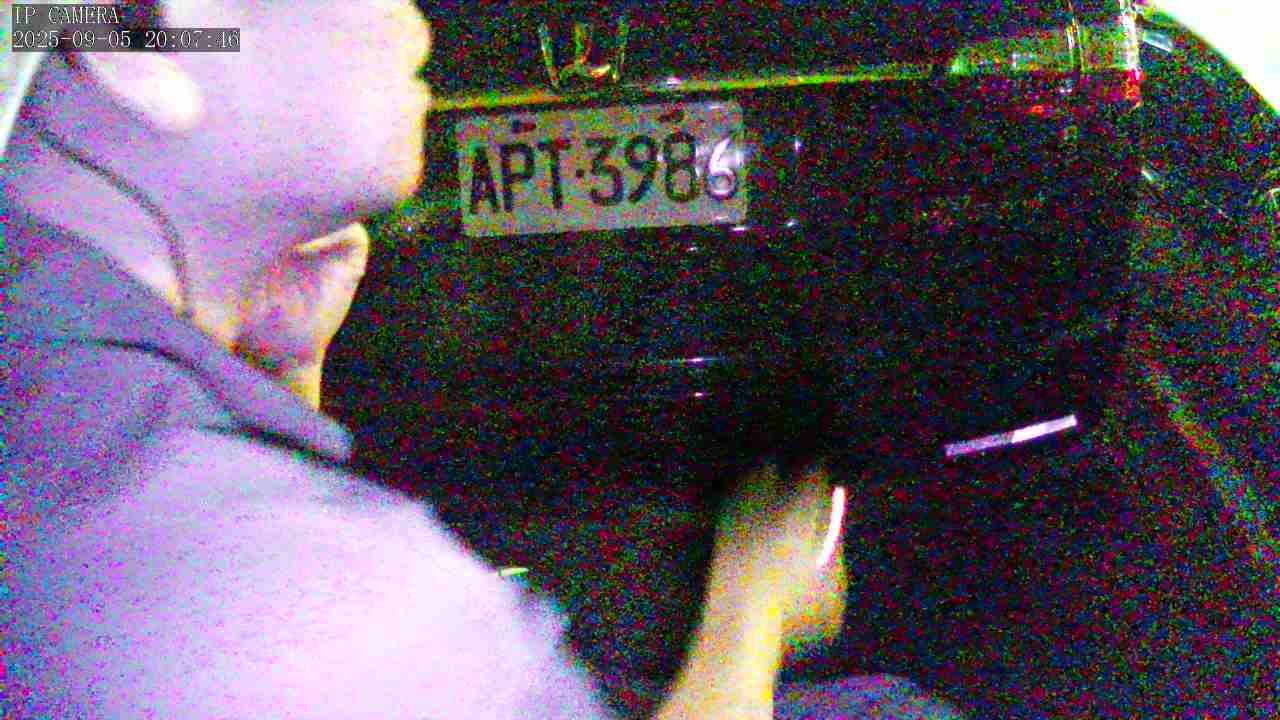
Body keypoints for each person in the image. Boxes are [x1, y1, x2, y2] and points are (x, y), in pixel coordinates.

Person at [0, 1, 964, 717]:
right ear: (141, 48)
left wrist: (283, 370)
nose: (416, 24)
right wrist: (752, 608)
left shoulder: (53, 385)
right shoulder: (326, 611)